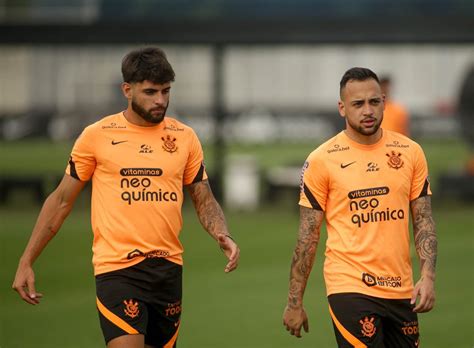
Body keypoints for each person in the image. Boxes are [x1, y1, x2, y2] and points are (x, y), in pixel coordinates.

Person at [12, 47, 240, 348]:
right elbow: (61, 201)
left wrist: (220, 232)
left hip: (168, 269)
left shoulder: (184, 137)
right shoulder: (97, 136)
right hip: (118, 269)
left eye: (165, 91)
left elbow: (203, 196)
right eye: (150, 92)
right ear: (127, 89)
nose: (160, 100)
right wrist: (27, 260)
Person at [283, 67, 437, 347]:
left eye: (374, 102)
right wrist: (295, 302)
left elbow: (424, 219)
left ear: (384, 103)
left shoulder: (411, 152)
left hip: (401, 290)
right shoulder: (322, 160)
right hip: (349, 287)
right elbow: (307, 237)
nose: (368, 110)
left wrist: (427, 277)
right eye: (358, 104)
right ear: (342, 108)